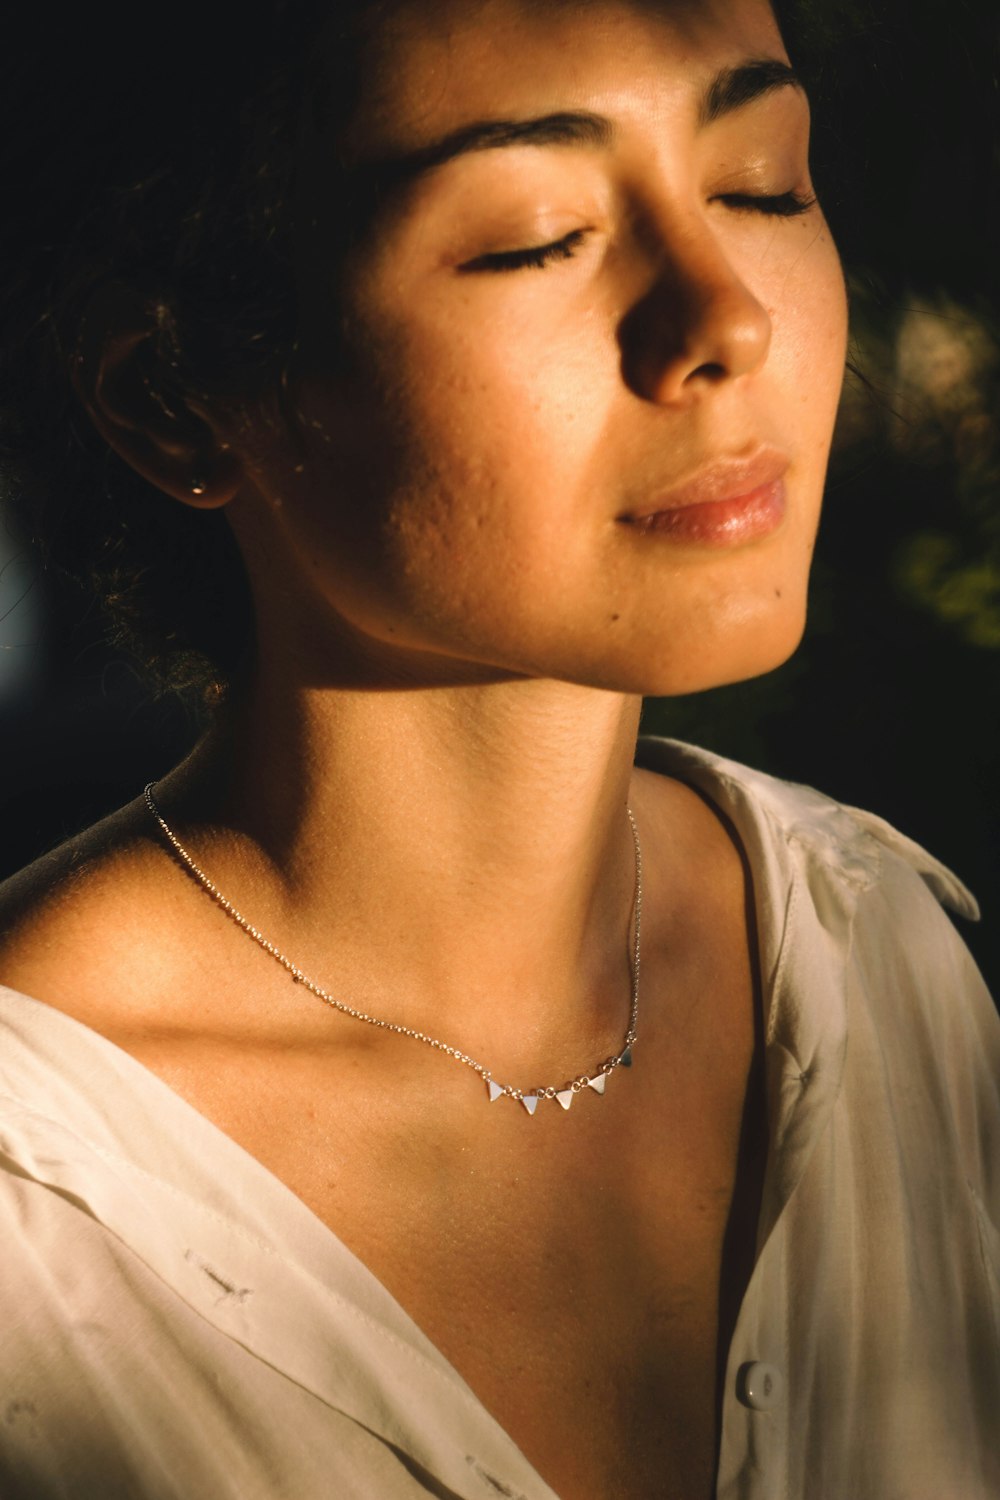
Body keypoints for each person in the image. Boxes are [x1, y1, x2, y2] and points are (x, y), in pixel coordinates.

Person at [0, 1, 997, 1497]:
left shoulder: (873, 953)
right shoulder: (41, 1212)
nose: (727, 318)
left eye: (762, 184)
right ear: (172, 396)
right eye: (536, 236)